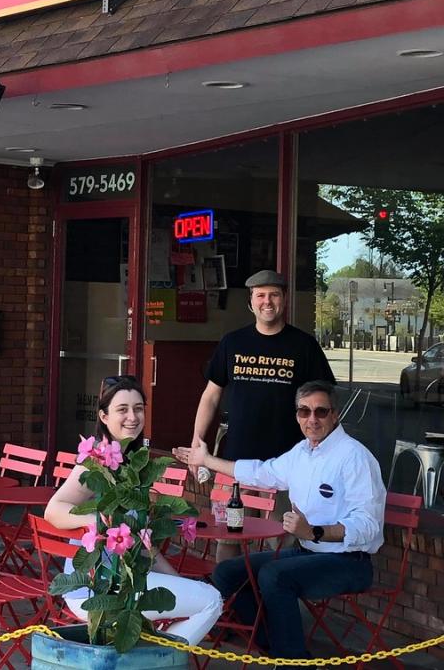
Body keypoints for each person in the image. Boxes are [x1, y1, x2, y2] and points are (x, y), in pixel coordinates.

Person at [174, 380, 385, 669]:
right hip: (309, 553)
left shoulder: (355, 457)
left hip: (349, 561)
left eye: (321, 412)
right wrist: (208, 460)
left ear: (335, 414)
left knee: (275, 576)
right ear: (297, 415)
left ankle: (292, 661)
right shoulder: (301, 452)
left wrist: (314, 532)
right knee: (228, 571)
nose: (312, 419)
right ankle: (274, 645)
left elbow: (368, 525)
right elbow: (261, 473)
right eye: (304, 411)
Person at [44, 374, 223, 646]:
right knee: (211, 601)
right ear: (103, 417)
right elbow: (53, 510)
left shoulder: (134, 464)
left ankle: (147, 660)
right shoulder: (96, 461)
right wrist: (99, 520)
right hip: (97, 591)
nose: (133, 417)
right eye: (122, 409)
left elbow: (145, 546)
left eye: (138, 408)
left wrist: (181, 583)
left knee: (205, 598)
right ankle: (158, 662)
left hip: (129, 583)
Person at [190, 269, 336, 559]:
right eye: (260, 295)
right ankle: (228, 600)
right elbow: (211, 395)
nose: (267, 301)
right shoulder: (233, 343)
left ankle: (270, 603)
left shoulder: (304, 346)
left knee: (280, 541)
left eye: (273, 295)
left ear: (284, 300)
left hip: (287, 465)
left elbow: (324, 404)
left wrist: (324, 453)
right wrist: (197, 440)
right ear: (250, 302)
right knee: (228, 538)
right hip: (235, 462)